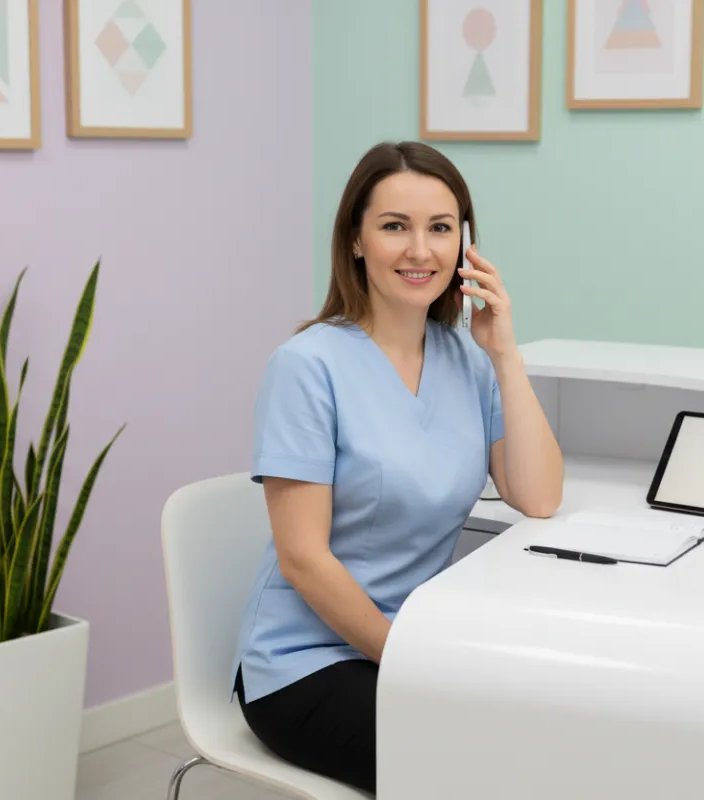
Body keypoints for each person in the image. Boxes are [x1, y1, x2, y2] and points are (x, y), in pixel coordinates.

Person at [229, 140, 565, 792]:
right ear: (355, 240)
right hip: (306, 666)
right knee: (476, 770)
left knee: (547, 732)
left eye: (440, 228)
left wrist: (505, 353)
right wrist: (410, 658)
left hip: (413, 648)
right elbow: (303, 559)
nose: (420, 250)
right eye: (394, 227)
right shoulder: (307, 366)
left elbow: (539, 495)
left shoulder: (467, 361)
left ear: (465, 244)